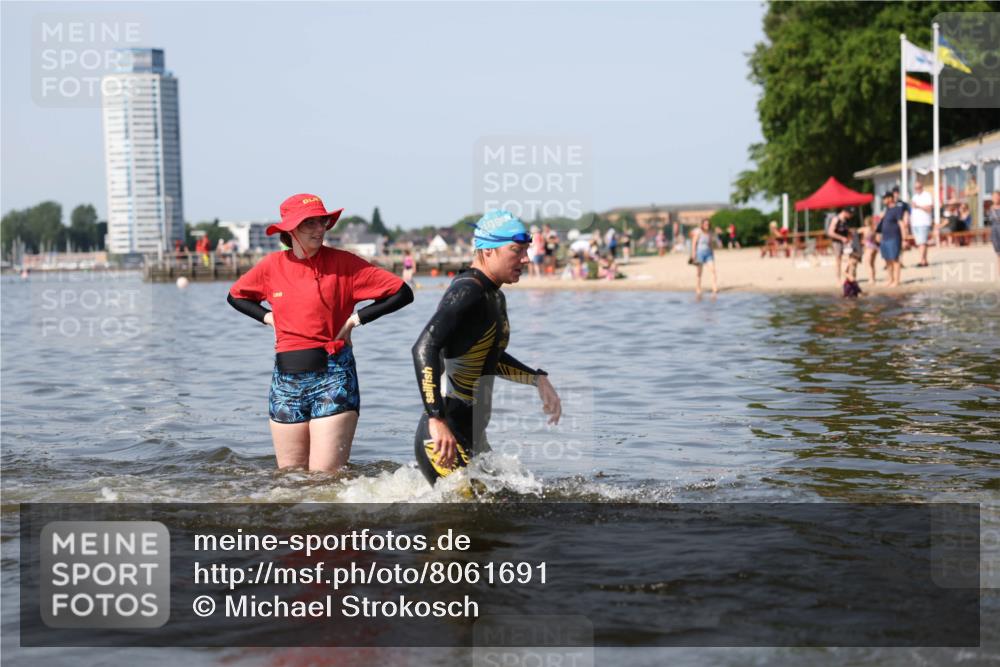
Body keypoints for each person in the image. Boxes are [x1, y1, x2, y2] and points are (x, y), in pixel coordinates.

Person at [228, 193, 413, 473]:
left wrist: (354, 320)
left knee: (324, 479)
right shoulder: (271, 266)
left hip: (333, 377)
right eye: (309, 223)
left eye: (322, 222)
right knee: (289, 480)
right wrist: (268, 317)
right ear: (290, 230)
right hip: (285, 383)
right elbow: (236, 296)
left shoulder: (345, 265)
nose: (319, 229)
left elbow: (401, 292)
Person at [411, 209, 561, 485]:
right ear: (488, 250)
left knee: (499, 517)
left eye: (526, 250)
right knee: (463, 525)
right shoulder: (468, 291)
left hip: (473, 437)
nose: (526, 259)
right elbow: (425, 347)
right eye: (516, 250)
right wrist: (436, 419)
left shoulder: (493, 295)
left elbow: (488, 357)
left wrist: (537, 379)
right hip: (444, 440)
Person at [876, 191, 909, 288]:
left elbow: (901, 224)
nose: (883, 200)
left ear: (890, 198)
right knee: (887, 260)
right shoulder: (886, 210)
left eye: (885, 198)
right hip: (885, 238)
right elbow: (882, 225)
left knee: (895, 259)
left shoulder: (897, 209)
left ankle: (896, 281)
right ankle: (890, 279)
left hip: (894, 238)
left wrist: (904, 239)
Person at [909, 180, 934, 267]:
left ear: (922, 187)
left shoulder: (927, 195)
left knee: (922, 242)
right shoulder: (914, 197)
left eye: (919, 187)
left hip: (924, 222)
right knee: (921, 243)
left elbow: (929, 209)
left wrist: (918, 206)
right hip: (915, 223)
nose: (917, 189)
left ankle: (921, 260)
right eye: (916, 188)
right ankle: (924, 260)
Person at [690, 218, 718, 296]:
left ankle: (714, 287)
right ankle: (698, 287)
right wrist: (693, 254)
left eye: (708, 224)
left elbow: (710, 243)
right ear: (702, 225)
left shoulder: (710, 233)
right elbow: (694, 243)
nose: (707, 225)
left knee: (713, 270)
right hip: (700, 253)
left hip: (708, 253)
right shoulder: (698, 232)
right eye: (705, 224)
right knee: (699, 273)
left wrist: (712, 252)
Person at [826, 208, 853, 283]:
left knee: (849, 260)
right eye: (850, 214)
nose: (851, 216)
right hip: (837, 242)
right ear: (845, 212)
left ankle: (847, 277)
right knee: (838, 261)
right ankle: (838, 279)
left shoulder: (846, 220)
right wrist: (841, 238)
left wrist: (850, 237)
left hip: (846, 243)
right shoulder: (836, 219)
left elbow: (847, 231)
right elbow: (830, 232)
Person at [861, 214, 879, 285]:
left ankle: (871, 279)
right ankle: (873, 278)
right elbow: (877, 239)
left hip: (868, 247)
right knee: (872, 264)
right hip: (874, 247)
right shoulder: (873, 229)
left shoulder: (865, 229)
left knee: (868, 264)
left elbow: (856, 232)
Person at [989, 191, 1000, 271]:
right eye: (994, 196)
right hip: (994, 231)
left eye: (997, 196)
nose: (995, 198)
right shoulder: (991, 208)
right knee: (998, 252)